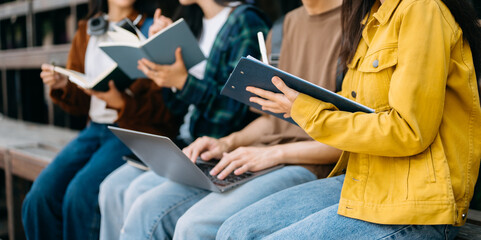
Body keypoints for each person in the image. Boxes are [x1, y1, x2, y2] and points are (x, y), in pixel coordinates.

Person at [216, 0, 481, 239]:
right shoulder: (372, 15)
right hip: (365, 178)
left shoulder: (421, 9)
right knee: (233, 231)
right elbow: (358, 106)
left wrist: (308, 111)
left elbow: (409, 131)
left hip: (416, 202)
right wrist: (295, 103)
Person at [97, 1, 269, 239]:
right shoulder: (190, 22)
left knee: (139, 195)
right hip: (185, 143)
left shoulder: (245, 22)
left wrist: (183, 82)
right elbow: (175, 106)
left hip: (219, 147)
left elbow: (235, 109)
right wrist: (164, 55)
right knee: (111, 188)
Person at [21, 0, 179, 239]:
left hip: (130, 130)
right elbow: (81, 104)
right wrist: (64, 85)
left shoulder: (152, 28)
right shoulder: (87, 30)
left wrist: (123, 103)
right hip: (93, 130)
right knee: (39, 197)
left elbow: (165, 109)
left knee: (80, 194)